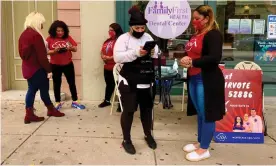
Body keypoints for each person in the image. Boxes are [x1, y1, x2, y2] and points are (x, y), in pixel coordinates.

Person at [180, 5, 225, 162]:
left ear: (206, 19)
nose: (194, 21)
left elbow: (214, 58)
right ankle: (200, 141)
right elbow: (192, 53)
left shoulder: (213, 35)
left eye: (197, 19)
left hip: (206, 79)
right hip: (194, 77)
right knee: (200, 112)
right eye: (193, 18)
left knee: (207, 114)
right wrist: (186, 58)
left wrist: (193, 62)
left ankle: (204, 149)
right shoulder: (196, 34)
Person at [113, 6, 158, 155]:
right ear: (131, 27)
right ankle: (126, 139)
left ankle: (148, 134)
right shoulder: (123, 38)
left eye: (142, 27)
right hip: (128, 80)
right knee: (129, 111)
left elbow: (156, 55)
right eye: (137, 27)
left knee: (146, 110)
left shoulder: (148, 38)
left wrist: (153, 52)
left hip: (145, 78)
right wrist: (136, 52)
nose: (140, 30)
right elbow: (117, 57)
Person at [18, 12, 65, 124]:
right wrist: (49, 70)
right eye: (42, 23)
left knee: (34, 89)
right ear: (37, 22)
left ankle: (39, 112)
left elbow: (22, 53)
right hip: (38, 69)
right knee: (40, 90)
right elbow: (42, 56)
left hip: (28, 68)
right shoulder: (36, 35)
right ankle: (41, 112)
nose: (43, 26)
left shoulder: (23, 34)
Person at [46, 20, 85, 111]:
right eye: (58, 31)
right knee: (57, 84)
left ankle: (75, 101)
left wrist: (70, 47)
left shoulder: (68, 37)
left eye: (62, 31)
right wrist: (54, 51)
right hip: (55, 65)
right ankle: (57, 102)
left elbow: (75, 48)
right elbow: (46, 51)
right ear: (54, 30)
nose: (60, 33)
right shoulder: (49, 39)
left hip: (68, 64)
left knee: (71, 83)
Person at [98, 23, 124, 112]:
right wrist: (103, 56)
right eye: (109, 30)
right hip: (107, 66)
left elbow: (121, 54)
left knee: (120, 86)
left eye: (112, 30)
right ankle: (107, 100)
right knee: (109, 84)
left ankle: (121, 104)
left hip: (117, 67)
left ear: (116, 31)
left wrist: (110, 57)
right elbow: (102, 51)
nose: (110, 32)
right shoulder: (107, 41)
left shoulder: (120, 41)